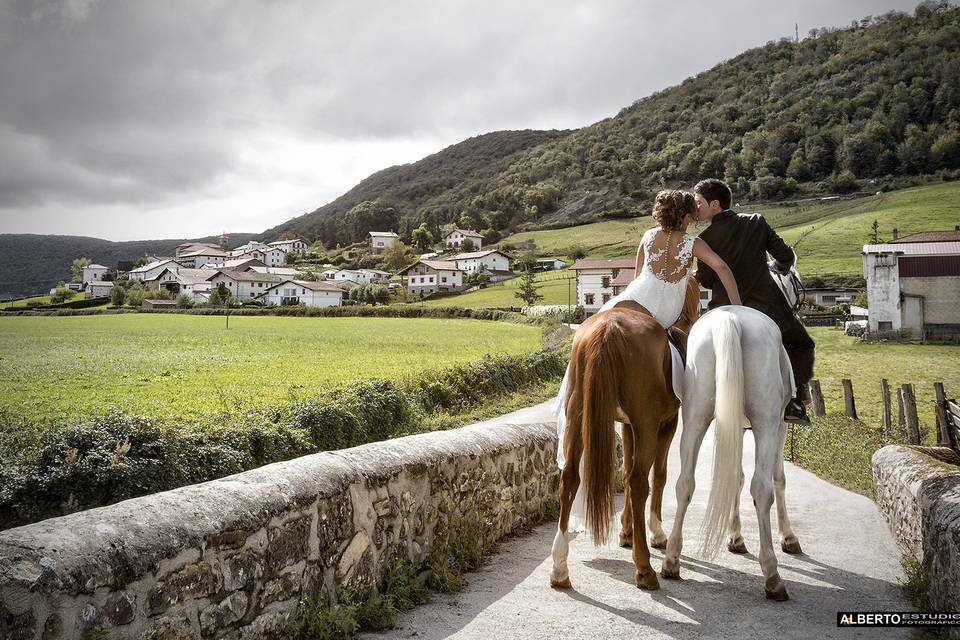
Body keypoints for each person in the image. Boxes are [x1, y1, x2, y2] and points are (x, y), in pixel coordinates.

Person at [692, 178, 815, 424]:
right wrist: (776, 268)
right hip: (766, 304)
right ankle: (796, 400)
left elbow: (705, 280)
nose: (696, 209)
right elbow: (786, 256)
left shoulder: (704, 239)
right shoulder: (756, 222)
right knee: (802, 344)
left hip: (723, 307)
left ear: (714, 204)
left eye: (699, 204)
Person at [599, 189, 741, 326]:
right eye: (692, 216)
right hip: (665, 311)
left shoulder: (648, 235)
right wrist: (737, 305)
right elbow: (721, 267)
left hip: (634, 296)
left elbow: (637, 275)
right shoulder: (693, 243)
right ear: (687, 217)